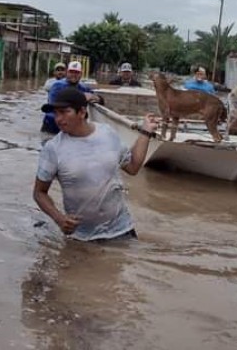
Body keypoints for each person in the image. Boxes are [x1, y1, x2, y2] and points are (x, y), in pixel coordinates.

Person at [33, 87, 160, 241]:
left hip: (122, 231)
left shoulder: (107, 133)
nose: (58, 119)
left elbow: (133, 166)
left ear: (81, 112)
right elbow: (39, 193)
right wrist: (59, 218)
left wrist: (146, 132)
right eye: (56, 113)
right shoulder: (52, 149)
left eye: (64, 112)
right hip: (81, 237)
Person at [41, 61, 98, 134]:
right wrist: (81, 98)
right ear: (67, 73)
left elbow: (97, 98)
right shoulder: (58, 86)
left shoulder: (82, 88)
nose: (73, 75)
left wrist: (94, 97)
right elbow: (54, 106)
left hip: (69, 126)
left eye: (76, 72)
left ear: (81, 74)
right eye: (71, 72)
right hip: (52, 123)